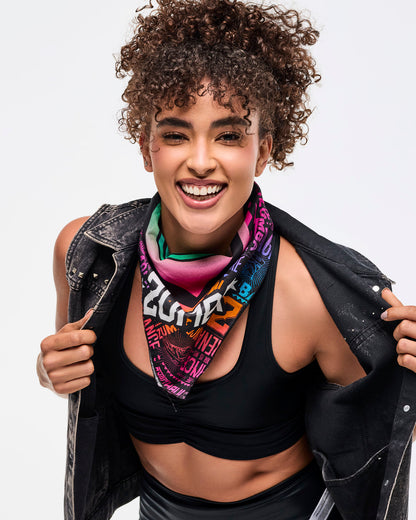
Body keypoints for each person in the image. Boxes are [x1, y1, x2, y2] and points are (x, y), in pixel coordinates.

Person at [36, 0, 416, 519]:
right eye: (175, 135)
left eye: (229, 135)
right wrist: (48, 371)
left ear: (264, 151)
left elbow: (385, 434)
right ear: (147, 148)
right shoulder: (91, 255)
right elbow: (69, 373)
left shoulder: (311, 295)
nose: (200, 161)